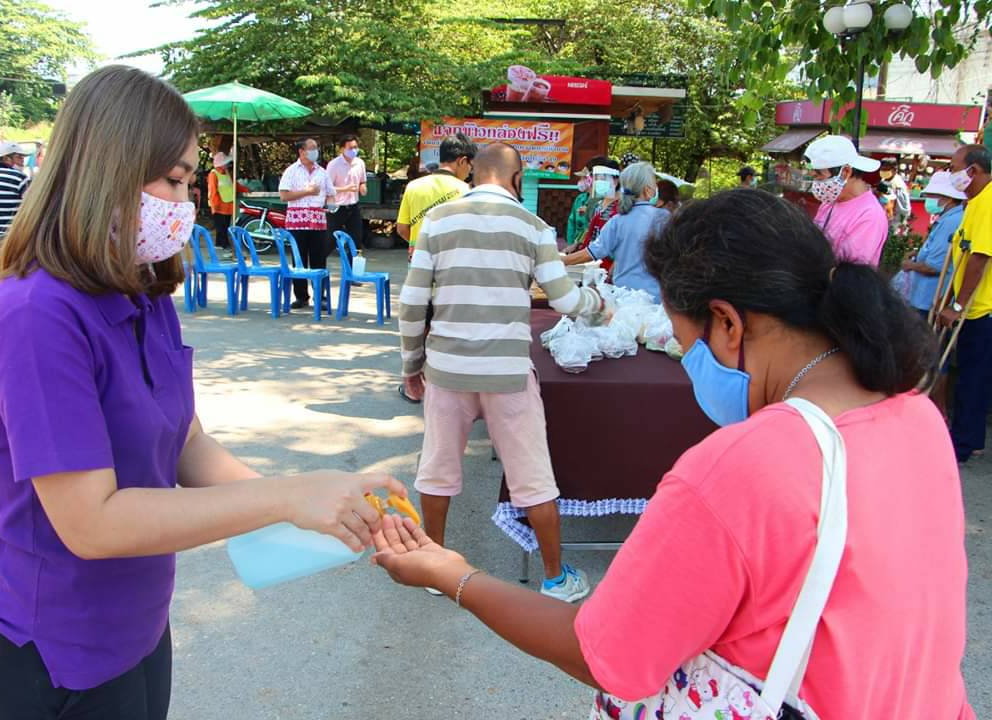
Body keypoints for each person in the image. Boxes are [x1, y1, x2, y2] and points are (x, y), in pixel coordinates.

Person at [375, 188, 973, 720]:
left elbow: (604, 653)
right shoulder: (915, 413)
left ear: (727, 323)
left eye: (687, 346)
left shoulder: (742, 465)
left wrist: (454, 575)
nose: (691, 366)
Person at [0, 65, 404, 720]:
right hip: (61, 649)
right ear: (106, 171)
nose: (185, 201)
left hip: (141, 624)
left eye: (190, 182)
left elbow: (186, 441)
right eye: (173, 180)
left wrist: (315, 502)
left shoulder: (141, 291)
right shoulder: (36, 316)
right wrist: (286, 497)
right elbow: (92, 522)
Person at [398, 143, 603, 602]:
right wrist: (598, 305)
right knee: (533, 476)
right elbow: (565, 299)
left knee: (436, 468)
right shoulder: (533, 227)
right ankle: (555, 578)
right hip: (508, 373)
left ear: (474, 175)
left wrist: (412, 365)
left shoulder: (437, 221)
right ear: (517, 179)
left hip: (447, 368)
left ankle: (435, 566)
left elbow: (411, 304)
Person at [937, 144, 992, 463]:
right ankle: (970, 438)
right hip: (974, 306)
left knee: (972, 377)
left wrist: (957, 306)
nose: (951, 173)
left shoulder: (988, 203)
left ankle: (963, 443)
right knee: (973, 374)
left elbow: (980, 258)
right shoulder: (974, 202)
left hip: (982, 309)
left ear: (974, 170)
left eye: (954, 167)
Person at [562, 162, 670, 300]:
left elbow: (592, 252)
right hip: (654, 297)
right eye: (655, 184)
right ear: (647, 190)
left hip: (622, 295)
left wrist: (559, 261)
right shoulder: (663, 218)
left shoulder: (617, 220)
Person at [804, 135, 888, 266]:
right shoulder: (830, 202)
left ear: (845, 172)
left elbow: (849, 270)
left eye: (819, 177)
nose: (816, 184)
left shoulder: (870, 215)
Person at [396, 132, 475, 259]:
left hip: (418, 260)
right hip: (452, 261)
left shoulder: (413, 186)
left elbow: (402, 228)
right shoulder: (467, 191)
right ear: (463, 161)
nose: (469, 172)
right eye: (471, 166)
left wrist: (419, 246)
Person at [279, 138, 336, 310]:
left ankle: (321, 296)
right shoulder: (291, 171)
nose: (315, 151)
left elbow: (330, 194)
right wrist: (307, 192)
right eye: (311, 148)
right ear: (301, 151)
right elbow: (284, 196)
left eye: (316, 148)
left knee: (319, 259)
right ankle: (301, 296)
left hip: (318, 221)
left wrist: (331, 206)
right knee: (299, 260)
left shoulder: (322, 172)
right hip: (297, 222)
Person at [902, 170, 966, 316]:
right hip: (925, 296)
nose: (929, 200)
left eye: (932, 196)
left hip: (929, 299)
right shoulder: (948, 218)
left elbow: (935, 266)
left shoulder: (951, 222)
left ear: (948, 198)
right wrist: (919, 253)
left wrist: (910, 265)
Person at [0, 141, 32, 240]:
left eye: (23, 158)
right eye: (19, 157)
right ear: (6, 158)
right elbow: (32, 204)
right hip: (11, 237)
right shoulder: (19, 177)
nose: (22, 161)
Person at [326, 134, 368, 248]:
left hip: (353, 205)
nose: (353, 150)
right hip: (336, 206)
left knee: (356, 239)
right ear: (342, 149)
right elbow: (327, 188)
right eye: (350, 148)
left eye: (355, 147)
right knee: (330, 240)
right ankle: (318, 258)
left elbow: (362, 181)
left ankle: (352, 260)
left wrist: (363, 187)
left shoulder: (360, 163)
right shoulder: (334, 165)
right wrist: (346, 189)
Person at [207, 151, 248, 249]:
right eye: (226, 163)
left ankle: (223, 244)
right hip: (219, 206)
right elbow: (213, 190)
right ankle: (222, 244)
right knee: (220, 227)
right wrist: (215, 205)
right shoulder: (213, 174)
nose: (228, 165)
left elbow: (234, 185)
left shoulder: (227, 173)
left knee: (225, 226)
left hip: (228, 205)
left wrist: (246, 190)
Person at [880, 156, 912, 226]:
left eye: (886, 169)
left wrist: (895, 223)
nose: (883, 172)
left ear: (895, 170)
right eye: (882, 169)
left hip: (894, 220)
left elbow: (903, 208)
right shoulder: (884, 179)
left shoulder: (898, 185)